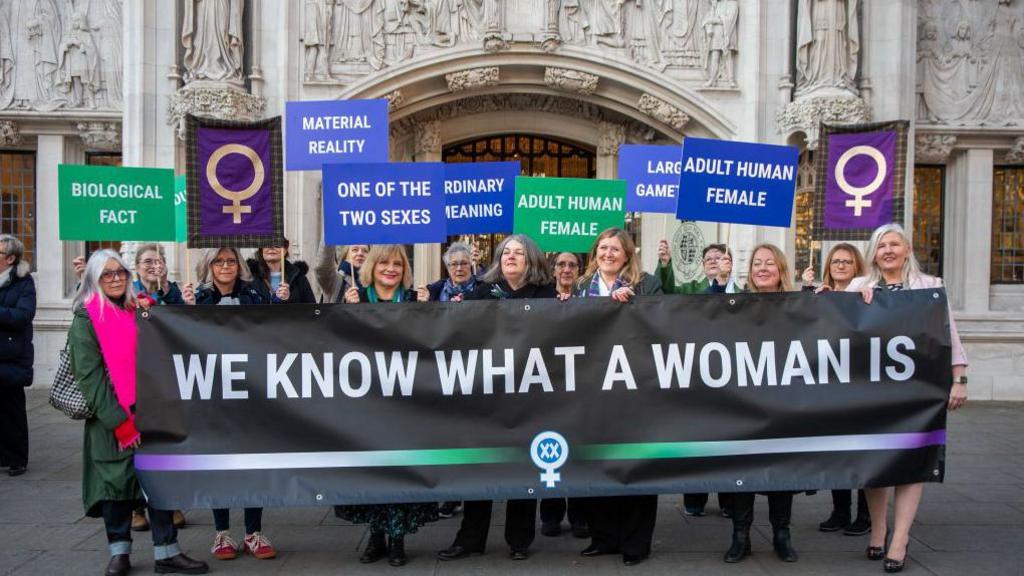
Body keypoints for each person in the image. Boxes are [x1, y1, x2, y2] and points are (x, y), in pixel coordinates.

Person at [68, 250, 208, 576]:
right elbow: (90, 377)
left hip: (151, 413)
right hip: (111, 419)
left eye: (120, 272)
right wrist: (118, 422)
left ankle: (167, 552)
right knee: (114, 487)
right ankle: (120, 553)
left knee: (158, 481)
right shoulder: (86, 318)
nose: (115, 278)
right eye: (107, 274)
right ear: (94, 280)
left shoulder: (140, 309)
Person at [848, 223, 968, 573]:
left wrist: (959, 378)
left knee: (913, 462)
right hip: (871, 391)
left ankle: (899, 539)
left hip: (917, 389)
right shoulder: (860, 286)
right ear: (873, 253)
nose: (887, 250)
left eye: (894, 244)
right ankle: (878, 529)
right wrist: (839, 297)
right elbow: (830, 319)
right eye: (881, 245)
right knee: (876, 463)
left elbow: (951, 334)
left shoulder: (931, 288)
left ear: (907, 249)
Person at [438, 234, 556, 562]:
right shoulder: (481, 293)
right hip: (489, 397)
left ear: (530, 260)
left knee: (523, 467)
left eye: (518, 253)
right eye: (506, 252)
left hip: (530, 395)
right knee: (482, 467)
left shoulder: (547, 295)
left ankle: (519, 540)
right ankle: (471, 538)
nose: (511, 257)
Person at [337, 244, 438, 566]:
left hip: (405, 405)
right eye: (384, 263)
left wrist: (429, 311)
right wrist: (345, 312)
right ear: (372, 266)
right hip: (366, 405)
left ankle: (397, 539)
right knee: (372, 471)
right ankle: (375, 536)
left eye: (397, 264)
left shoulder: (412, 300)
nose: (391, 269)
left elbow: (432, 345)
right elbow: (335, 344)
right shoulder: (357, 298)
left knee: (399, 470)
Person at [571, 228, 661, 566]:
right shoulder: (581, 286)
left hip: (635, 387)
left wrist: (633, 305)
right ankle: (604, 536)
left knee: (636, 462)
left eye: (616, 249)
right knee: (598, 460)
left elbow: (661, 321)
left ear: (627, 255)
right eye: (603, 248)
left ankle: (636, 542)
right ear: (595, 253)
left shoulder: (646, 283)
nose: (608, 254)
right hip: (592, 387)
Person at [182, 248, 279, 561]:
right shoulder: (198, 297)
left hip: (251, 393)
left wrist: (279, 301)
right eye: (219, 261)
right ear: (208, 266)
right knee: (217, 463)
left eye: (231, 261)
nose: (225, 266)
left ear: (239, 266)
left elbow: (276, 329)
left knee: (253, 463)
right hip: (212, 395)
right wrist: (184, 310)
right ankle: (221, 532)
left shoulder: (254, 294)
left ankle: (253, 532)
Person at [724, 243, 799, 564]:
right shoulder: (737, 305)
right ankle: (741, 535)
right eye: (757, 263)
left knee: (781, 468)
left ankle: (782, 534)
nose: (763, 268)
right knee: (743, 468)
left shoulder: (798, 306)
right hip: (745, 403)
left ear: (781, 269)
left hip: (783, 403)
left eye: (770, 263)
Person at [802, 243, 871, 535]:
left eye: (847, 262)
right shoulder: (821, 296)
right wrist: (807, 290)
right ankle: (840, 510)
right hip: (830, 385)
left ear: (857, 267)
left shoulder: (868, 296)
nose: (841, 266)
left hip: (861, 385)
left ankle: (865, 515)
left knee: (863, 453)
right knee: (836, 450)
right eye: (836, 261)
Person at [127, 244, 187, 532]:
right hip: (134, 376)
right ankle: (136, 506)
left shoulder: (169, 291)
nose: (154, 265)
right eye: (148, 261)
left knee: (164, 440)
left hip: (165, 375)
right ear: (137, 265)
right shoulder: (126, 292)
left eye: (159, 261)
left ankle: (169, 501)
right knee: (136, 441)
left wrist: (166, 291)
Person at [539, 250, 589, 539]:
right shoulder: (542, 298)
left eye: (572, 265)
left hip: (581, 385)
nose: (567, 269)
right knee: (552, 449)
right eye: (561, 264)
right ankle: (551, 514)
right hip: (550, 384)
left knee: (580, 451)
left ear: (579, 270)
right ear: (553, 269)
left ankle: (580, 516)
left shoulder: (587, 298)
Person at [0, 234, 35, 478]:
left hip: (11, 355)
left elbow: (23, 316)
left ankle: (16, 459)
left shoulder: (24, 282)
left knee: (11, 410)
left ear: (10, 258)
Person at [248, 239, 316, 304]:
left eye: (277, 244)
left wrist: (289, 299)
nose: (272, 247)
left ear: (285, 251)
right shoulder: (250, 277)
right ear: (261, 251)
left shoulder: (298, 277)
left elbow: (311, 309)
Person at [655, 240, 728, 294]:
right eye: (708, 259)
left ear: (728, 263)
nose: (713, 261)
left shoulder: (737, 291)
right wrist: (665, 263)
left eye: (718, 258)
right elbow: (667, 292)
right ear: (703, 264)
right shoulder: (690, 289)